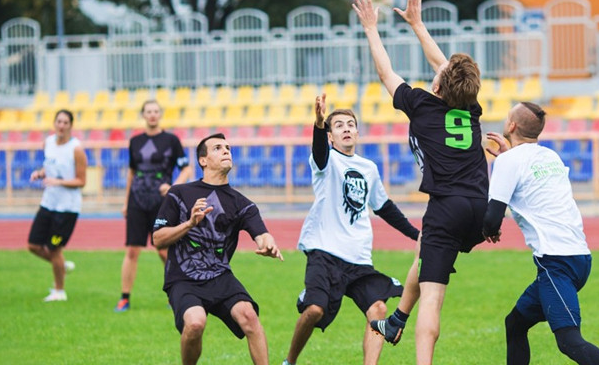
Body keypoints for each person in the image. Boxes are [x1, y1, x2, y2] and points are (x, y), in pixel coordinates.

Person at [353, 0, 488, 364]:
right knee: (424, 248)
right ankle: (396, 321)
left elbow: (386, 72)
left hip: (448, 207)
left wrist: (371, 29)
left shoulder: (422, 105)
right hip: (481, 207)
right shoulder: (470, 108)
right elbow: (446, 68)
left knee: (434, 294)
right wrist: (417, 24)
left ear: (439, 86)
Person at [281, 94, 420, 365]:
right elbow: (319, 151)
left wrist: (417, 234)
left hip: (358, 258)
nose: (346, 128)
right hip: (325, 251)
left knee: (379, 309)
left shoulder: (368, 168)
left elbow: (384, 207)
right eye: (339, 125)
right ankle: (290, 361)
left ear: (357, 132)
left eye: (350, 124)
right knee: (314, 310)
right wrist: (319, 123)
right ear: (331, 136)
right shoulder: (325, 162)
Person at [483, 102, 599, 365]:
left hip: (557, 262)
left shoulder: (509, 162)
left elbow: (491, 219)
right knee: (515, 323)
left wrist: (486, 229)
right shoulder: (550, 156)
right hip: (579, 257)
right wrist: (509, 157)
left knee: (569, 341)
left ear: (511, 126)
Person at [152, 132, 283, 365]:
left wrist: (268, 244)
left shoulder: (242, 203)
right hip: (183, 277)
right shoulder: (179, 193)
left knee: (249, 317)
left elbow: (261, 233)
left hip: (220, 276)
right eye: (217, 148)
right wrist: (190, 224)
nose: (225, 151)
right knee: (195, 324)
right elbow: (158, 239)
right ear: (203, 160)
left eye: (228, 148)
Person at [115, 99, 192, 312]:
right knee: (132, 250)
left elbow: (186, 169)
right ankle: (124, 298)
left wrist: (173, 187)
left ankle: (174, 294)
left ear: (160, 115)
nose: (152, 115)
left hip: (162, 203)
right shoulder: (135, 141)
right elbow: (132, 172)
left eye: (156, 111)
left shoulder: (171, 140)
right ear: (143, 114)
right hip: (137, 200)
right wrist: (126, 201)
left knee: (163, 250)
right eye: (148, 111)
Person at [27, 109, 87, 302]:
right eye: (58, 122)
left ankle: (59, 291)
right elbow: (51, 167)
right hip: (48, 203)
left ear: (71, 126)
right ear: (54, 123)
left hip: (67, 208)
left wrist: (58, 181)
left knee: (54, 249)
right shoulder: (48, 143)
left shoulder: (76, 149)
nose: (61, 126)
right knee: (33, 245)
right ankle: (61, 266)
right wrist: (41, 173)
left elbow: (81, 180)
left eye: (65, 123)